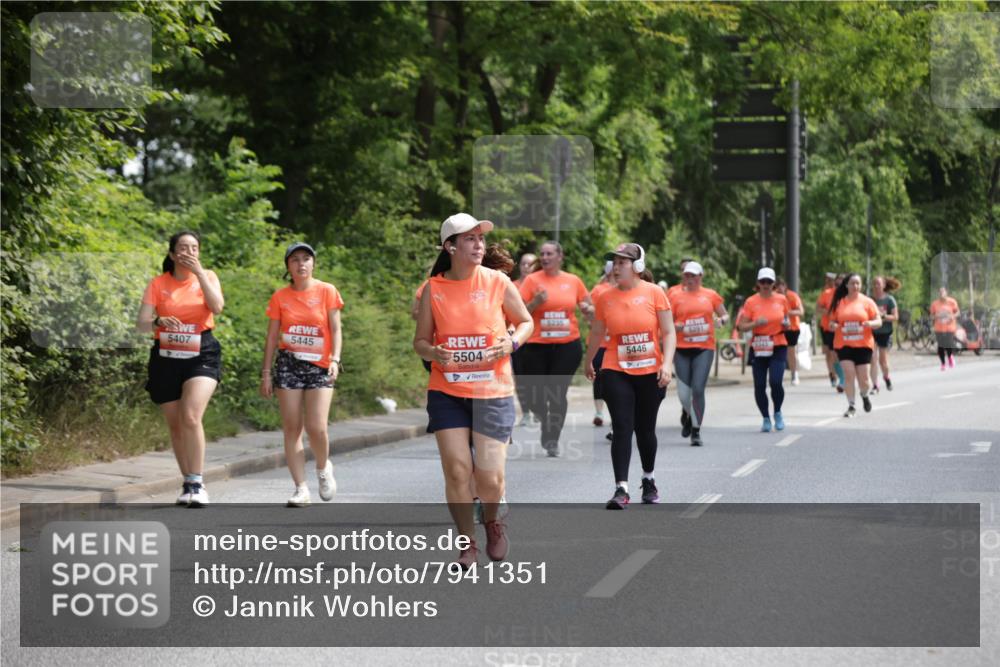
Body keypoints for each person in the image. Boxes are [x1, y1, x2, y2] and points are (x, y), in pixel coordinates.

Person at [413, 213, 532, 569]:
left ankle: (492, 522)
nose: (479, 244)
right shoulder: (434, 288)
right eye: (470, 239)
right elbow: (419, 342)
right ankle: (467, 544)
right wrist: (434, 352)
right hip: (447, 390)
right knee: (457, 470)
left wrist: (510, 343)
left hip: (492, 391)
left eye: (481, 239)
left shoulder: (497, 281)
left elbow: (526, 322)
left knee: (491, 479)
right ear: (450, 246)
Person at [137, 231, 224, 507]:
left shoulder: (208, 276)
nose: (189, 252)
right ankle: (187, 480)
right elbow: (141, 324)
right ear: (173, 254)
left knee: (190, 416)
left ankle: (198, 482)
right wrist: (159, 321)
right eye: (183, 248)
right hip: (166, 353)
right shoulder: (158, 283)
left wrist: (199, 274)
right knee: (175, 425)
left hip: (202, 352)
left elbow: (217, 307)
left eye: (194, 248)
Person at [585, 243, 676, 509]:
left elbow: (669, 332)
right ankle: (621, 489)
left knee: (645, 429)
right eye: (614, 261)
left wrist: (667, 364)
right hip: (616, 368)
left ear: (637, 266)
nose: (616, 266)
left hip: (650, 371)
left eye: (623, 262)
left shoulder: (655, 293)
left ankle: (649, 479)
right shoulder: (605, 297)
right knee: (622, 426)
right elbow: (598, 333)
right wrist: (588, 360)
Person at [260, 242, 343, 507]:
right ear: (288, 267)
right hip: (289, 364)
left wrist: (335, 359)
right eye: (295, 260)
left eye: (306, 258)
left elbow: (336, 329)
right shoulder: (280, 297)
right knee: (292, 427)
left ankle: (322, 468)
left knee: (316, 427)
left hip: (320, 365)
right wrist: (266, 373)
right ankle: (300, 488)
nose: (301, 264)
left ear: (313, 263)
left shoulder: (327, 291)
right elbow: (272, 336)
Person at [518, 241, 593, 457]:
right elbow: (519, 312)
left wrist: (589, 310)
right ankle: (545, 420)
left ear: (560, 256)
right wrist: (535, 303)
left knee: (557, 393)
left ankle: (552, 438)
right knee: (534, 397)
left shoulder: (573, 281)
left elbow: (588, 307)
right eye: (542, 254)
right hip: (536, 346)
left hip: (567, 345)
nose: (545, 257)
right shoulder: (532, 280)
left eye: (549, 253)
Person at [670, 261, 727, 446]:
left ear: (700, 277)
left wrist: (721, 321)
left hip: (704, 348)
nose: (690, 279)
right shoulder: (675, 296)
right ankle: (688, 414)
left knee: (698, 389)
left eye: (694, 275)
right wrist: (674, 326)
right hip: (682, 349)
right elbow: (664, 323)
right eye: (687, 275)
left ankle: (696, 430)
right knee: (683, 394)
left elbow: (724, 315)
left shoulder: (710, 295)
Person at [736, 268, 790, 433]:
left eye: (769, 282)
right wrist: (754, 324)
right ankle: (766, 418)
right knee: (759, 385)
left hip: (778, 343)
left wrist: (786, 324)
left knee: (775, 381)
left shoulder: (782, 299)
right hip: (759, 345)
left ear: (774, 284)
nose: (766, 285)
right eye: (763, 282)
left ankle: (778, 412)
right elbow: (740, 327)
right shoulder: (751, 302)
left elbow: (786, 318)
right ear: (758, 283)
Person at [828, 274, 881, 417]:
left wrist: (870, 323)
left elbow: (878, 321)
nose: (855, 286)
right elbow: (831, 322)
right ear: (847, 285)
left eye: (858, 283)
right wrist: (833, 325)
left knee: (864, 380)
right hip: (844, 343)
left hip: (863, 344)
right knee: (849, 374)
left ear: (861, 285)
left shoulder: (867, 302)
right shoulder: (839, 303)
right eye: (852, 283)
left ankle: (864, 395)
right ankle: (851, 405)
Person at [512, 252, 539, 426]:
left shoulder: (541, 285)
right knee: (520, 377)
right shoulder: (511, 286)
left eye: (531, 264)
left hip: (537, 339)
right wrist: (536, 302)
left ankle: (537, 409)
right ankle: (526, 411)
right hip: (517, 338)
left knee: (535, 377)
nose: (526, 267)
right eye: (523, 263)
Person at [589, 261, 615, 428]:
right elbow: (590, 312)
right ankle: (599, 412)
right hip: (599, 342)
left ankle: (616, 413)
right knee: (598, 378)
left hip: (616, 344)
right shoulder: (599, 290)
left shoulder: (626, 289)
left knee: (615, 380)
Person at [816, 272, 845, 393]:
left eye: (841, 283)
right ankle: (835, 375)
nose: (839, 285)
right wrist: (827, 311)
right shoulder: (827, 293)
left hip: (844, 327)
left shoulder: (849, 295)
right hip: (829, 327)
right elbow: (818, 309)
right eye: (837, 283)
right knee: (831, 354)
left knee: (840, 354)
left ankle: (844, 377)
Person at [869, 276, 899, 392]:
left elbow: (895, 317)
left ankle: (886, 377)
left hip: (885, 333)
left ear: (884, 285)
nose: (876, 286)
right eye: (874, 284)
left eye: (878, 284)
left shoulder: (889, 300)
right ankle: (875, 385)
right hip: (872, 332)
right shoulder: (870, 300)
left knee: (883, 361)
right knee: (873, 359)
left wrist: (883, 316)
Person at [775, 278, 805, 386]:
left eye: (781, 285)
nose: (779, 288)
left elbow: (801, 311)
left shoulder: (792, 296)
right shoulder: (774, 297)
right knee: (778, 351)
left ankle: (794, 374)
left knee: (791, 351)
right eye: (776, 286)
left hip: (792, 327)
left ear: (785, 286)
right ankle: (777, 374)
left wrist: (787, 313)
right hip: (778, 328)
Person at [930, 287, 960, 371]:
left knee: (949, 344)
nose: (941, 294)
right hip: (939, 327)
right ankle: (943, 364)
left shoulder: (952, 302)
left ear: (946, 292)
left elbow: (958, 312)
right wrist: (935, 316)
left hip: (950, 327)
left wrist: (952, 316)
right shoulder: (935, 304)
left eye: (943, 292)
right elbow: (931, 315)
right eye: (940, 292)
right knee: (940, 346)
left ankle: (950, 357)